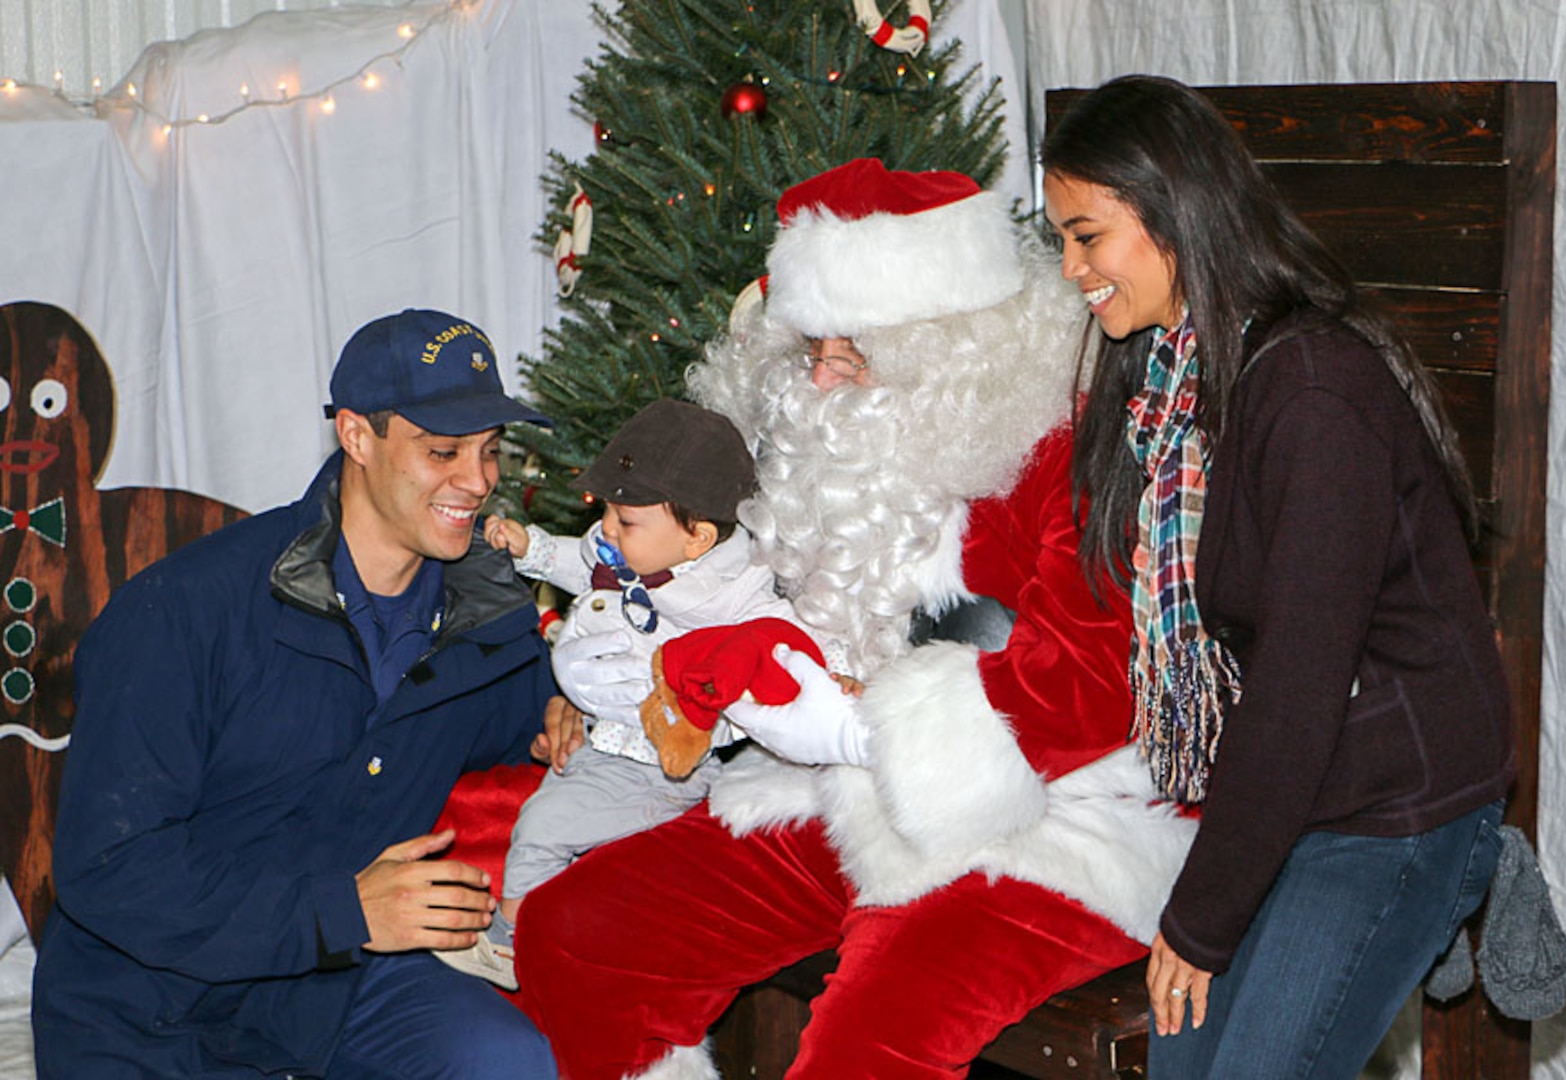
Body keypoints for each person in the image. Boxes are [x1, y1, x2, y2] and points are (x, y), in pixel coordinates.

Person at [504, 157, 1198, 1079]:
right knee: (578, 930)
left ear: (954, 351)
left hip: (1053, 819)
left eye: (855, 353)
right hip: (831, 789)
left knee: (867, 1048)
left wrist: (872, 729)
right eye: (810, 350)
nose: (822, 383)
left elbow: (1089, 685)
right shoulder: (817, 465)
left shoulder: (1070, 461)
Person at [1040, 76, 1516, 1078]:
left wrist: (1201, 916)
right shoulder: (1175, 376)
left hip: (1400, 800)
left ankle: (1478, 871)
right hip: (1298, 783)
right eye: (1064, 240)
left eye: (1088, 235)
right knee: (1181, 1062)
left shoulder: (1309, 388)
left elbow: (1299, 682)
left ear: (1175, 214)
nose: (1073, 266)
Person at [31, 309, 562, 1079]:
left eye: (489, 451)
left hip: (333, 994)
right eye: (442, 450)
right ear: (355, 436)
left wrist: (573, 702)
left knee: (504, 1060)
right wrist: (344, 912)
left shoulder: (488, 624)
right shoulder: (183, 610)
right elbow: (109, 869)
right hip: (143, 1006)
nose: (477, 481)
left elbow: (545, 723)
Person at [435, 397, 842, 990]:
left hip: (659, 767)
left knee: (540, 830)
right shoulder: (638, 554)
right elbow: (583, 563)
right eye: (607, 512)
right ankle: (564, 933)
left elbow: (784, 644)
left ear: (699, 536)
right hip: (607, 745)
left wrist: (829, 673)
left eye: (626, 521)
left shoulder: (731, 595)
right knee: (561, 826)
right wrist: (533, 549)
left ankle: (512, 946)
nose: (606, 529)